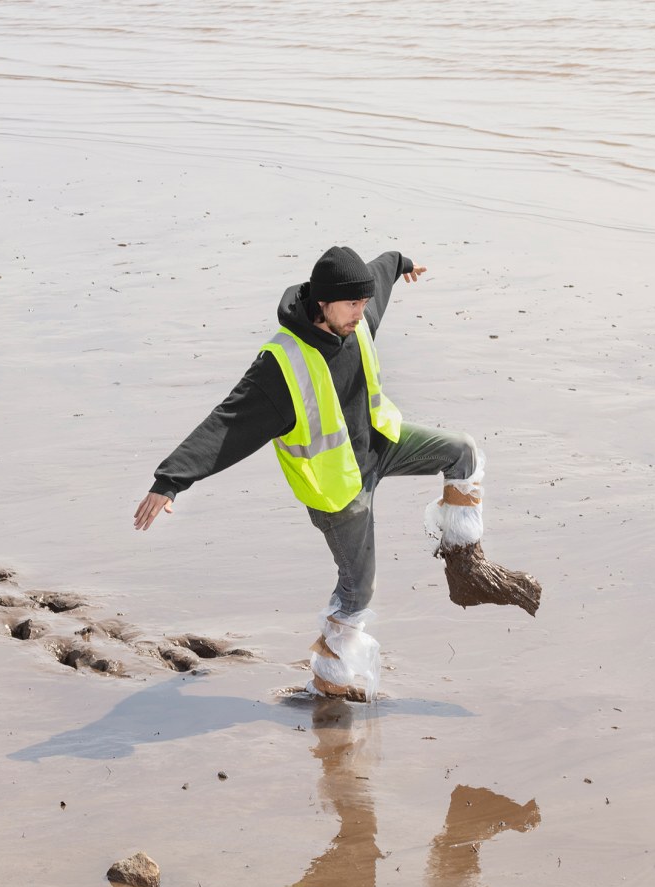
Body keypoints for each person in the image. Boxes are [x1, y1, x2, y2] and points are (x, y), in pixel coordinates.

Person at [133, 245, 486, 699]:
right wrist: (171, 480)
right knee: (359, 591)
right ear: (323, 303)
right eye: (353, 305)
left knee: (463, 453)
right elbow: (227, 423)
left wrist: (400, 264)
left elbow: (376, 276)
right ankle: (328, 683)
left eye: (364, 303)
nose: (363, 312)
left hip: (381, 445)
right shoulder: (281, 367)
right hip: (339, 492)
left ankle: (465, 564)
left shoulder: (354, 315)